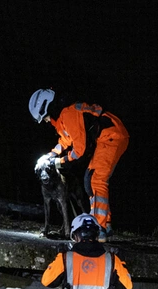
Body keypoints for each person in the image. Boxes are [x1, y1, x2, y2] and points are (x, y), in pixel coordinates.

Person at [29, 88, 129, 242]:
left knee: (96, 180)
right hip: (109, 136)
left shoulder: (68, 114)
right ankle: (105, 226)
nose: (47, 121)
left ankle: (99, 229)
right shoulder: (63, 118)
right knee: (90, 179)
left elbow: (79, 151)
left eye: (46, 117)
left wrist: (59, 161)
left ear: (48, 107)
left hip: (111, 136)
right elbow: (65, 141)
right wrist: (49, 155)